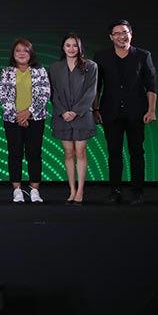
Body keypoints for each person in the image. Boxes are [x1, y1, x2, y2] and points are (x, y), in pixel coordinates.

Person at [94, 19, 157, 204]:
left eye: (125, 32)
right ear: (111, 37)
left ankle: (137, 191)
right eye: (117, 34)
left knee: (136, 152)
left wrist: (151, 110)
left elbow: (151, 85)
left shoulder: (143, 55)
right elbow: (96, 86)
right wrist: (95, 109)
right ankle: (115, 191)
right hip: (110, 112)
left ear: (131, 34)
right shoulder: (101, 56)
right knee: (114, 152)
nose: (121, 36)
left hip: (136, 112)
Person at [0, 39, 50, 204]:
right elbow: (3, 96)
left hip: (35, 119)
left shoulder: (40, 71)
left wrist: (29, 113)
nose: (21, 53)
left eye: (25, 50)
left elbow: (44, 94)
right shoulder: (7, 72)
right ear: (13, 54)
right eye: (18, 50)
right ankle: (17, 190)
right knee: (15, 154)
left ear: (31, 53)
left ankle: (34, 190)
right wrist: (18, 116)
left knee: (34, 154)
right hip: (12, 120)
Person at [48, 33, 97, 205]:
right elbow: (52, 92)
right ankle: (72, 190)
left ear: (80, 47)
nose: (71, 48)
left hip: (82, 115)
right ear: (63, 47)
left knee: (81, 152)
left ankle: (81, 190)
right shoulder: (54, 67)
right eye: (68, 45)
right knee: (68, 153)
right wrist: (63, 112)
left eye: (75, 45)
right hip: (62, 116)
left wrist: (75, 111)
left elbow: (91, 91)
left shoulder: (91, 66)